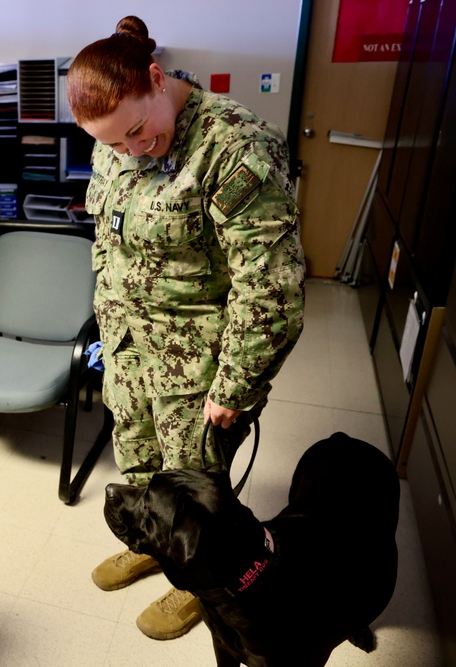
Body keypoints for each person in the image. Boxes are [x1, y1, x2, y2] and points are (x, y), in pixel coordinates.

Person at [67, 16, 305, 641]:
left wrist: (235, 384)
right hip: (127, 353)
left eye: (139, 132)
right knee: (142, 468)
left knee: (198, 497)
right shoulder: (114, 138)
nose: (131, 150)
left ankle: (200, 584)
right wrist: (107, 313)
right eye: (115, 145)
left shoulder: (235, 147)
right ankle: (152, 545)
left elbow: (272, 288)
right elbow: (106, 240)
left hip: (196, 373)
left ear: (155, 77)